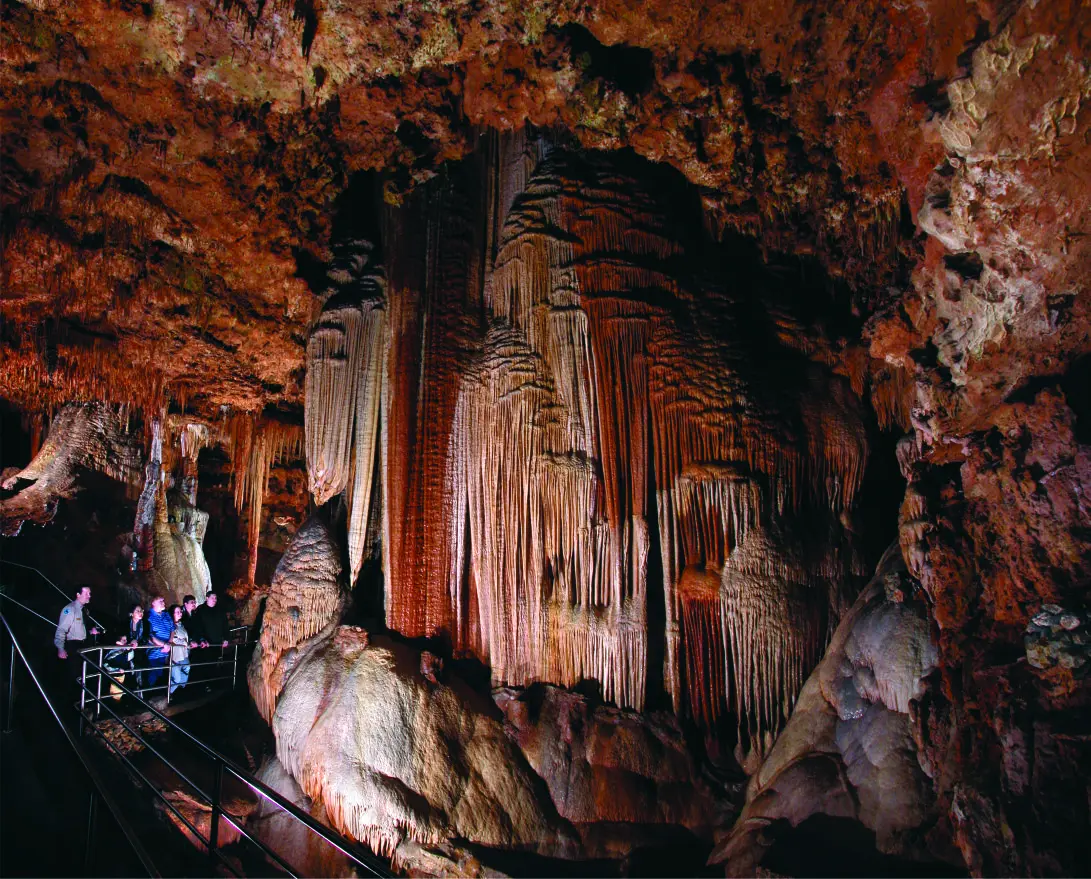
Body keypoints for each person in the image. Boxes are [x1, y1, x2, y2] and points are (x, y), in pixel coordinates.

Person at [55, 585, 102, 686]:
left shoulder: (85, 610)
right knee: (74, 677)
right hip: (73, 646)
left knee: (84, 675)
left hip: (84, 646)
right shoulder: (70, 609)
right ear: (78, 595)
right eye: (86, 593)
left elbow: (79, 628)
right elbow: (61, 629)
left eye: (89, 593)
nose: (89, 596)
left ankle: (81, 697)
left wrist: (90, 632)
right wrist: (60, 648)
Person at [168, 604, 197, 696]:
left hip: (183, 653)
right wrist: (184, 642)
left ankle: (180, 689)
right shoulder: (170, 624)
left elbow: (185, 638)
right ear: (172, 614)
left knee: (187, 667)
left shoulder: (181, 625)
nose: (180, 613)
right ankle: (169, 693)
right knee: (176, 677)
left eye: (181, 611)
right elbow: (172, 638)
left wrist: (188, 644)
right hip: (175, 654)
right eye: (178, 612)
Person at [145, 596, 173, 692]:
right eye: (160, 601)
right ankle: (147, 697)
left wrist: (169, 643)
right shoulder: (149, 616)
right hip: (154, 653)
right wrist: (164, 644)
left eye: (163, 601)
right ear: (153, 603)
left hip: (165, 652)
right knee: (152, 675)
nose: (163, 602)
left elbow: (172, 629)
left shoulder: (167, 614)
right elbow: (150, 635)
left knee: (161, 675)